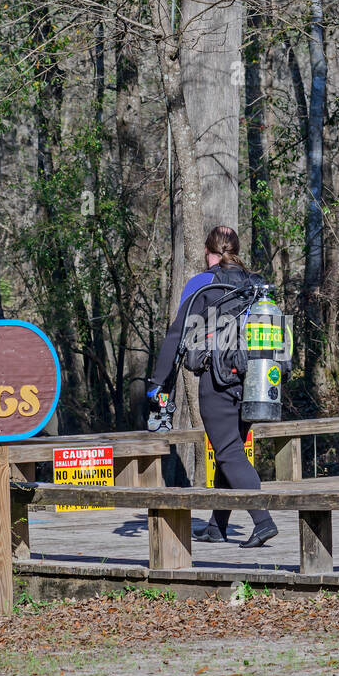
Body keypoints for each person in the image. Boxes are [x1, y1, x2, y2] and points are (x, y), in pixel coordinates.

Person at [147, 226, 279, 549]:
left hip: (216, 382)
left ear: (211, 252)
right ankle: (217, 526)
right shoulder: (256, 284)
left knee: (229, 452)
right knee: (227, 449)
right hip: (252, 382)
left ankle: (264, 522)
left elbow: (176, 336)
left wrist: (157, 384)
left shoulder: (202, 283)